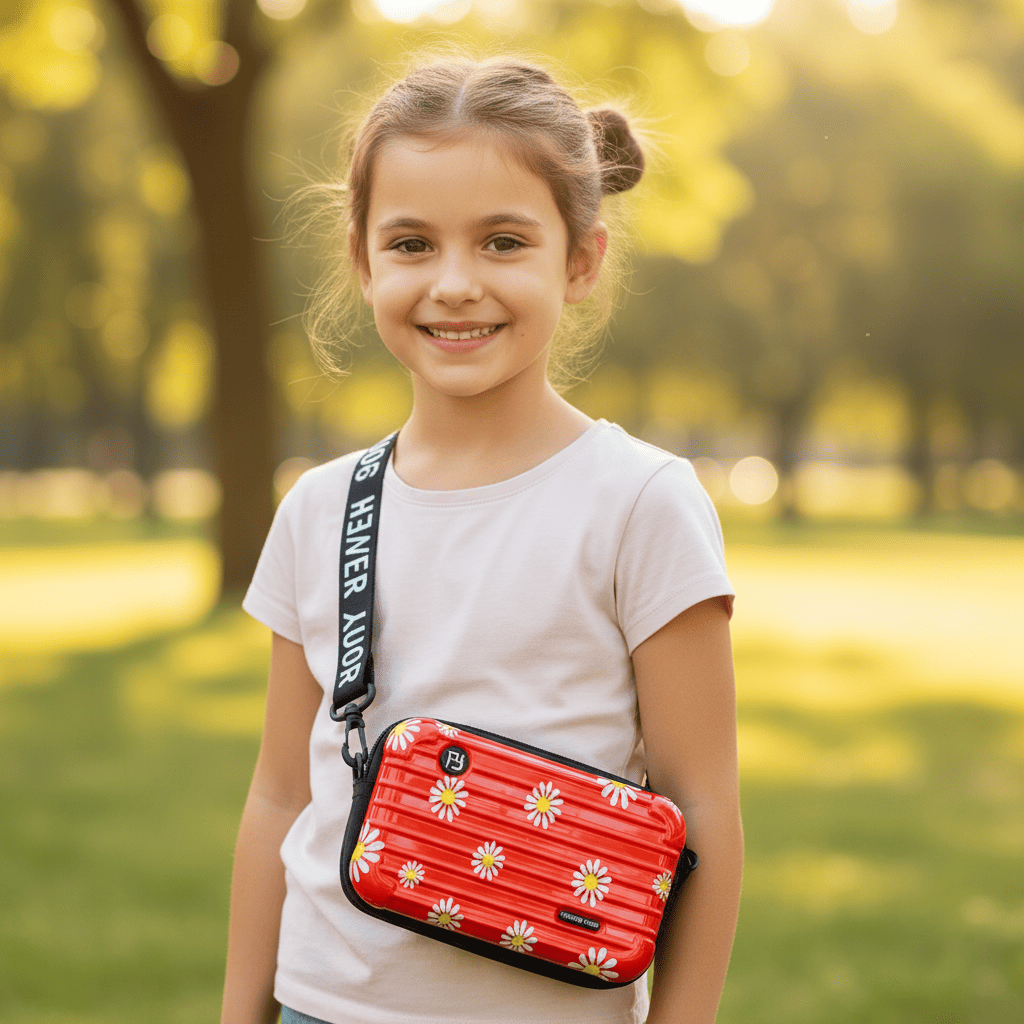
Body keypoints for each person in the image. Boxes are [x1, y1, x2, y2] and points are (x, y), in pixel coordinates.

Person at [222, 51, 742, 1024]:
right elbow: (277, 796)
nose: (455, 284)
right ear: (363, 259)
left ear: (579, 259)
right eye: (412, 244)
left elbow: (703, 811)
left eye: (503, 242)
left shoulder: (640, 503)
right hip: (320, 1006)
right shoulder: (319, 509)